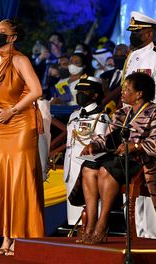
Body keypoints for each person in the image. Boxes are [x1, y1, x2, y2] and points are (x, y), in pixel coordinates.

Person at [76, 72, 156, 244]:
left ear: (139, 94)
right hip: (119, 158)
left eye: (126, 89)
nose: (122, 91)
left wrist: (136, 146)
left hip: (144, 161)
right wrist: (94, 145)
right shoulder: (122, 113)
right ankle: (90, 224)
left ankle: (103, 224)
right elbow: (108, 138)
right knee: (88, 167)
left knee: (105, 169)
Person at [0, 19, 45, 256]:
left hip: (21, 122)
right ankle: (6, 235)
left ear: (13, 38)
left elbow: (36, 90)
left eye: (2, 32)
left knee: (20, 177)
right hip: (2, 123)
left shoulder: (21, 60)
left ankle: (21, 235)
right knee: (4, 178)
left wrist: (12, 110)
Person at [123, 11, 156, 239]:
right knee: (125, 181)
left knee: (148, 184)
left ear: (149, 33)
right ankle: (132, 233)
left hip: (151, 133)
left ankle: (150, 238)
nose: (133, 36)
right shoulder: (132, 57)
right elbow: (125, 97)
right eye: (132, 32)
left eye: (137, 32)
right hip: (129, 128)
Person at [63, 75, 108, 226]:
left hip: (89, 168)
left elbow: (102, 143)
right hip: (71, 167)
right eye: (78, 91)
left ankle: (92, 230)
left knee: (92, 207)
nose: (79, 94)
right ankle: (76, 232)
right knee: (73, 213)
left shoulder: (102, 117)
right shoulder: (74, 115)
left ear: (95, 95)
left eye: (84, 91)